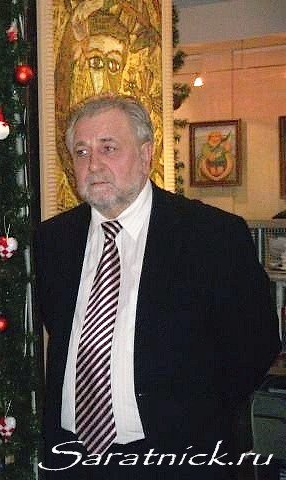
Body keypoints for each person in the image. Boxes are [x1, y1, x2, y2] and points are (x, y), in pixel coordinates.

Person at [35, 94, 280, 479]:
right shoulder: (53, 241)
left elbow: (256, 343)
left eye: (108, 148)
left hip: (178, 458)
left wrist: (192, 417)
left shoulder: (211, 235)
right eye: (81, 152)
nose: (93, 164)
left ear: (146, 153)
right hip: (74, 456)